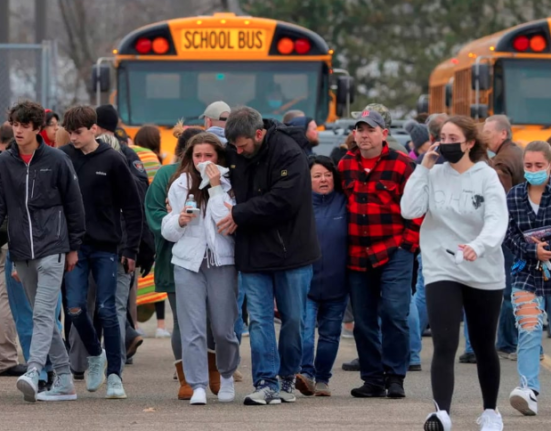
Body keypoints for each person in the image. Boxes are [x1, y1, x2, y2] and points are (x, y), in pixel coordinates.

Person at [401, 115, 508, 431]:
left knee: (483, 343)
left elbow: (496, 220)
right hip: (441, 268)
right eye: (441, 137)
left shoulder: (485, 177)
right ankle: (441, 413)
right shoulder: (432, 174)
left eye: (452, 138)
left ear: (470, 143)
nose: (445, 143)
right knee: (445, 342)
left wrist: (480, 245)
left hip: (483, 269)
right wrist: (423, 167)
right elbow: (410, 210)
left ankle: (490, 411)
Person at [221, 106, 320, 405]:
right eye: (234, 146)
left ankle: (287, 376)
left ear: (259, 134)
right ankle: (265, 381)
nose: (238, 151)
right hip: (252, 250)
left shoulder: (289, 153)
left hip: (292, 250)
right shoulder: (234, 151)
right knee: (260, 320)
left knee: (292, 319)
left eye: (243, 145)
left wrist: (240, 213)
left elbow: (284, 200)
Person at [0, 101, 86, 402]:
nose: (19, 130)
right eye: (16, 124)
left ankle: (34, 370)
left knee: (43, 313)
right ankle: (64, 379)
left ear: (38, 128)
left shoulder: (57, 160)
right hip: (21, 251)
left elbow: (75, 206)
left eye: (25, 125)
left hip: (54, 246)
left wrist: (74, 247)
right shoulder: (4, 162)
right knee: (43, 316)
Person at [60, 105, 143, 399]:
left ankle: (115, 376)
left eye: (78, 132)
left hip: (108, 247)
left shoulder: (113, 160)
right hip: (75, 248)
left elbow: (133, 208)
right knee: (74, 307)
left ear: (94, 129)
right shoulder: (65, 158)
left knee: (109, 310)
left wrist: (130, 249)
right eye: (69, 132)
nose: (73, 138)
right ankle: (95, 354)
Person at [338, 109, 420, 399]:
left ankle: (395, 376)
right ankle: (372, 378)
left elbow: (417, 207)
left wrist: (409, 245)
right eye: (359, 130)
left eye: (370, 130)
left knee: (395, 313)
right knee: (363, 320)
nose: (364, 135)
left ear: (384, 134)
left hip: (394, 249)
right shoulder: (345, 165)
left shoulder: (402, 165)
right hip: (357, 253)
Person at [161, 132, 240, 405]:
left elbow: (225, 222)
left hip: (222, 262)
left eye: (209, 156)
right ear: (189, 157)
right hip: (187, 263)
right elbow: (168, 231)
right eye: (198, 156)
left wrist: (216, 186)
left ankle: (227, 374)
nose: (203, 161)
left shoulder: (230, 184)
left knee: (223, 328)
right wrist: (180, 221)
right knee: (192, 327)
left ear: (219, 157)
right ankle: (197, 385)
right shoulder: (180, 184)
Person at [145, 126, 205, 400]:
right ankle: (187, 379)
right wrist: (175, 222)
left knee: (207, 321)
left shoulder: (218, 173)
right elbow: (154, 212)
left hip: (212, 259)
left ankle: (204, 375)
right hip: (175, 257)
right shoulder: (167, 175)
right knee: (183, 321)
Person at [295, 156, 347, 398]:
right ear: (307, 180)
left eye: (327, 174)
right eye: (317, 176)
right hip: (306, 284)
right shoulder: (300, 204)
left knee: (330, 334)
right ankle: (305, 374)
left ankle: (323, 379)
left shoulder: (344, 202)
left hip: (338, 284)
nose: (323, 179)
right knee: (304, 332)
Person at [505, 140, 551, 417]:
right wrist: (532, 250)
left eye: (539, 165)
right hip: (525, 270)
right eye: (529, 166)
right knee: (529, 326)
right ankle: (528, 390)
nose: (533, 170)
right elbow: (508, 235)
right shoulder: (513, 196)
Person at [484, 115, 524, 362]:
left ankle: (508, 343)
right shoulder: (515, 153)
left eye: (489, 131)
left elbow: (501, 199)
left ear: (503, 134)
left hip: (509, 232)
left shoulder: (502, 161)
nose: (484, 135)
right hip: (520, 230)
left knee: (509, 290)